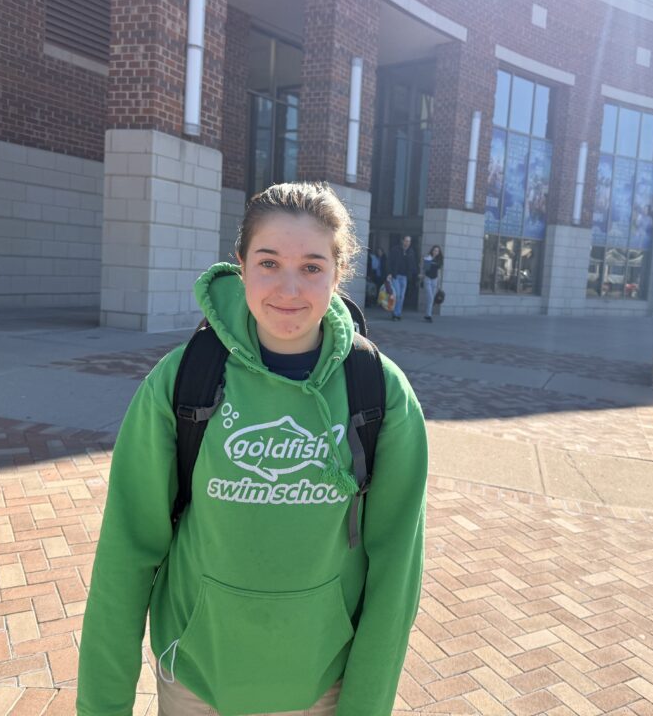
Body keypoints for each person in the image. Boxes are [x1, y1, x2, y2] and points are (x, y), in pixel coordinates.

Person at [76, 182, 428, 716]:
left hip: (322, 686)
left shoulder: (380, 393)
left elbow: (396, 570)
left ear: (339, 272)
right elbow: (127, 550)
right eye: (269, 262)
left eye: (312, 267)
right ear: (241, 265)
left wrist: (365, 705)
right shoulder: (184, 381)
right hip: (195, 680)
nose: (289, 288)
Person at [386, 235, 417, 321]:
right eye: (406, 241)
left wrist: (413, 274)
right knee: (398, 295)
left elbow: (413, 264)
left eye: (409, 241)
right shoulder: (395, 250)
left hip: (405, 277)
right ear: (402, 241)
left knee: (402, 296)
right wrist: (389, 273)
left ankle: (398, 313)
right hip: (396, 275)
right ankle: (395, 314)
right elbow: (389, 261)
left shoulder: (411, 252)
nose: (407, 243)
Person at [420, 245, 443, 323]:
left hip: (435, 280)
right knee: (430, 297)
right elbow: (425, 269)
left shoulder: (439, 260)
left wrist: (439, 284)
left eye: (437, 251)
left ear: (439, 252)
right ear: (432, 251)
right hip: (428, 278)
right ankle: (429, 315)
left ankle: (427, 315)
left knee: (431, 298)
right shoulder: (428, 258)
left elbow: (439, 272)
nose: (436, 252)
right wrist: (422, 277)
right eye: (434, 250)